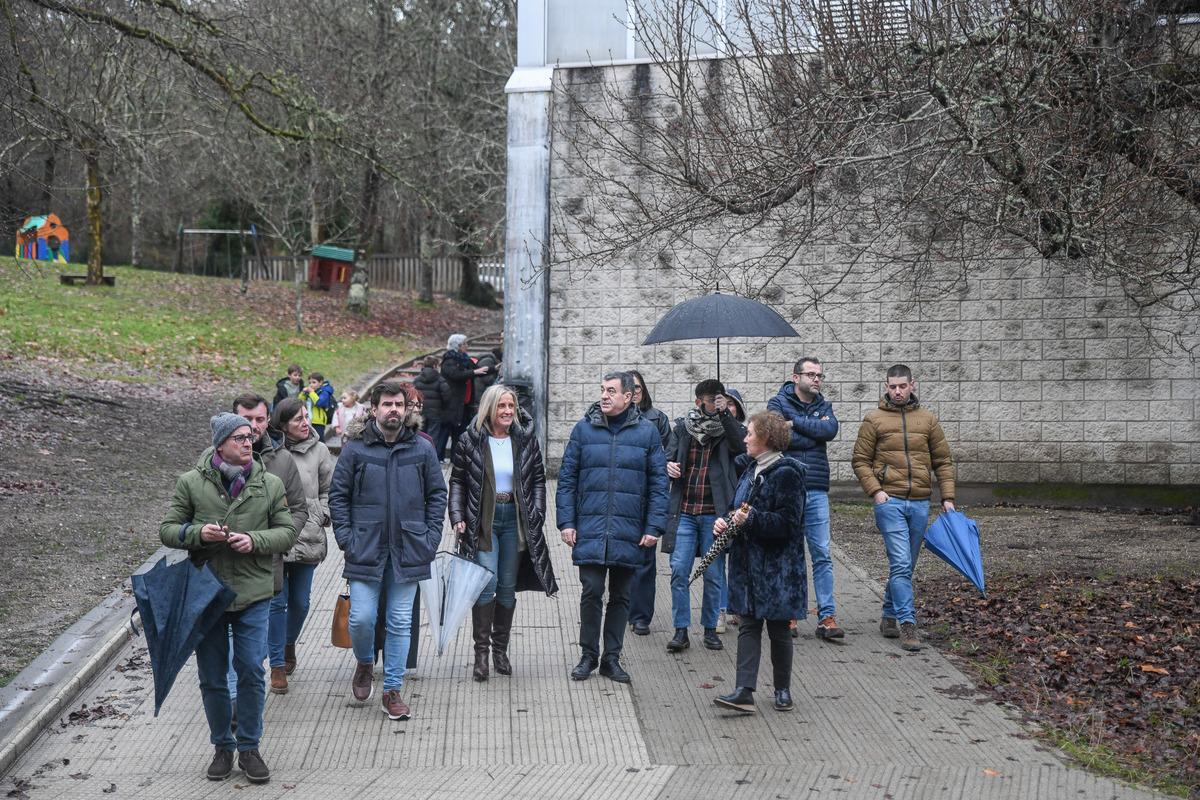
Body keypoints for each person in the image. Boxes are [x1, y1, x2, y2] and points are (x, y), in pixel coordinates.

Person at [158, 413, 296, 783]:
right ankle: (222, 746)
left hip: (253, 592)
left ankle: (250, 747)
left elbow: (286, 532)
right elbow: (168, 530)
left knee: (251, 669)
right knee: (212, 677)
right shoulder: (190, 483)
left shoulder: (269, 484)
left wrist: (256, 541)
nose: (248, 443)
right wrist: (199, 533)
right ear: (220, 444)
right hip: (208, 594)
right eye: (238, 438)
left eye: (250, 437)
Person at [329, 380, 446, 720]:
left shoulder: (422, 448)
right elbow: (338, 495)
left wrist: (430, 537)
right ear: (374, 409)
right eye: (387, 404)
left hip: (410, 547)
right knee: (362, 617)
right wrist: (347, 539)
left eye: (399, 404)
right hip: (365, 546)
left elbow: (437, 494)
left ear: (407, 408)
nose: (394, 410)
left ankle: (392, 689)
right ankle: (365, 661)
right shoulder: (356, 448)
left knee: (398, 621)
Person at [557, 371, 669, 683]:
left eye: (611, 391)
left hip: (630, 530)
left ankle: (611, 659)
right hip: (590, 527)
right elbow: (567, 479)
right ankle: (588, 655)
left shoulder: (647, 434)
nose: (604, 396)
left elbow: (659, 485)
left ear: (629, 396)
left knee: (621, 596)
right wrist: (566, 522)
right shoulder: (584, 429)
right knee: (591, 590)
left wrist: (654, 526)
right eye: (602, 390)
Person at [449, 384, 558, 682]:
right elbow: (457, 480)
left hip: (516, 519)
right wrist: (457, 515)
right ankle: (480, 655)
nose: (508, 411)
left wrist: (537, 511)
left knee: (507, 586)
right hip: (483, 519)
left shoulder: (524, 440)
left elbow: (538, 478)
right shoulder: (470, 440)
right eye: (502, 406)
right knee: (488, 581)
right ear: (490, 409)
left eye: (511, 406)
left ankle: (500, 651)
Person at [851, 364, 956, 652]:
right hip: (890, 502)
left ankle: (888, 614)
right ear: (886, 387)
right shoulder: (874, 420)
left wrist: (947, 497)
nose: (897, 391)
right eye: (892, 386)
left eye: (902, 386)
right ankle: (908, 623)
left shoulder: (928, 420)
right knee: (900, 562)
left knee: (906, 565)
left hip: (921, 501)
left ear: (912, 385)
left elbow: (943, 462)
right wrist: (877, 492)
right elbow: (860, 460)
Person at [713, 411, 807, 715]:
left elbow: (789, 523)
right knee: (748, 626)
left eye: (750, 433)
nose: (745, 438)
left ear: (766, 438)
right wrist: (725, 522)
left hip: (776, 569)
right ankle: (744, 690)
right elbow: (737, 509)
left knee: (779, 630)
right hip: (746, 566)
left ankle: (782, 690)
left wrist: (751, 519)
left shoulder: (788, 472)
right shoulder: (751, 470)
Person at [229, 393, 308, 707]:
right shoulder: (212, 460)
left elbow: (299, 509)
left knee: (274, 619)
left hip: (268, 566)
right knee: (233, 639)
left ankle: (261, 677)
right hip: (226, 569)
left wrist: (282, 538)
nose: (253, 426)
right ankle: (237, 700)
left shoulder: (282, 459)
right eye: (246, 419)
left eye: (260, 419)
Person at [662, 379, 746, 652]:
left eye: (720, 400)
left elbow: (741, 444)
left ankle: (710, 629)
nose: (717, 404)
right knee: (679, 571)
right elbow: (668, 457)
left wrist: (724, 414)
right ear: (699, 402)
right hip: (685, 511)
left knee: (712, 574)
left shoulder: (726, 429)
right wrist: (669, 466)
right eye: (713, 400)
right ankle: (680, 631)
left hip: (715, 514)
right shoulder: (683, 427)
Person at [767, 357, 843, 641]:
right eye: (811, 374)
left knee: (822, 553)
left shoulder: (824, 405)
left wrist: (795, 424)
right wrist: (813, 428)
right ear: (795, 377)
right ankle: (789, 614)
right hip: (787, 488)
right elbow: (779, 438)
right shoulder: (777, 403)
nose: (816, 380)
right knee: (790, 552)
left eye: (819, 375)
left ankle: (827, 616)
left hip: (816, 489)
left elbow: (830, 431)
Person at [266, 399, 334, 695]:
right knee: (276, 602)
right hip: (274, 536)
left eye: (306, 417)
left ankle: (288, 641)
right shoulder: (268, 452)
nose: (305, 423)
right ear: (282, 425)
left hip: (308, 535)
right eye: (297, 419)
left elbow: (330, 488)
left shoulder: (320, 450)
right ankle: (277, 664)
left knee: (301, 603)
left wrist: (323, 514)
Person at [625, 368, 669, 636]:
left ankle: (641, 615)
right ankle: (621, 606)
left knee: (645, 559)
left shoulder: (657, 420)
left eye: (638, 389)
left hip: (646, 495)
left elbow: (669, 454)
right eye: (629, 390)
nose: (634, 395)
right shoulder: (611, 419)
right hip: (621, 498)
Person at [441, 334, 496, 455]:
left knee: (460, 431)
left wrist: (494, 368)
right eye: (465, 344)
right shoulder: (449, 360)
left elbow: (479, 370)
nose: (467, 346)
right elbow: (456, 375)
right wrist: (473, 372)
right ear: (458, 346)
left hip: (465, 402)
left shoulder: (465, 359)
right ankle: (440, 457)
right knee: (448, 430)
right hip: (453, 402)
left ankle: (456, 457)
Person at [413, 356, 453, 459]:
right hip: (435, 412)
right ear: (435, 366)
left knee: (420, 434)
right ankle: (430, 458)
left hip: (421, 412)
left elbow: (412, 395)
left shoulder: (417, 379)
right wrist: (443, 407)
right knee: (432, 436)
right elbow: (447, 396)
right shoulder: (440, 380)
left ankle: (418, 456)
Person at [301, 372, 336, 442]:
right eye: (310, 383)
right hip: (308, 420)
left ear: (320, 382)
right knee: (309, 439)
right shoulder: (311, 392)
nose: (311, 385)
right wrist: (303, 392)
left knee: (319, 440)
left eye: (314, 382)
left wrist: (311, 393)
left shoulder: (324, 392)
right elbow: (300, 400)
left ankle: (323, 452)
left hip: (318, 421)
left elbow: (319, 402)